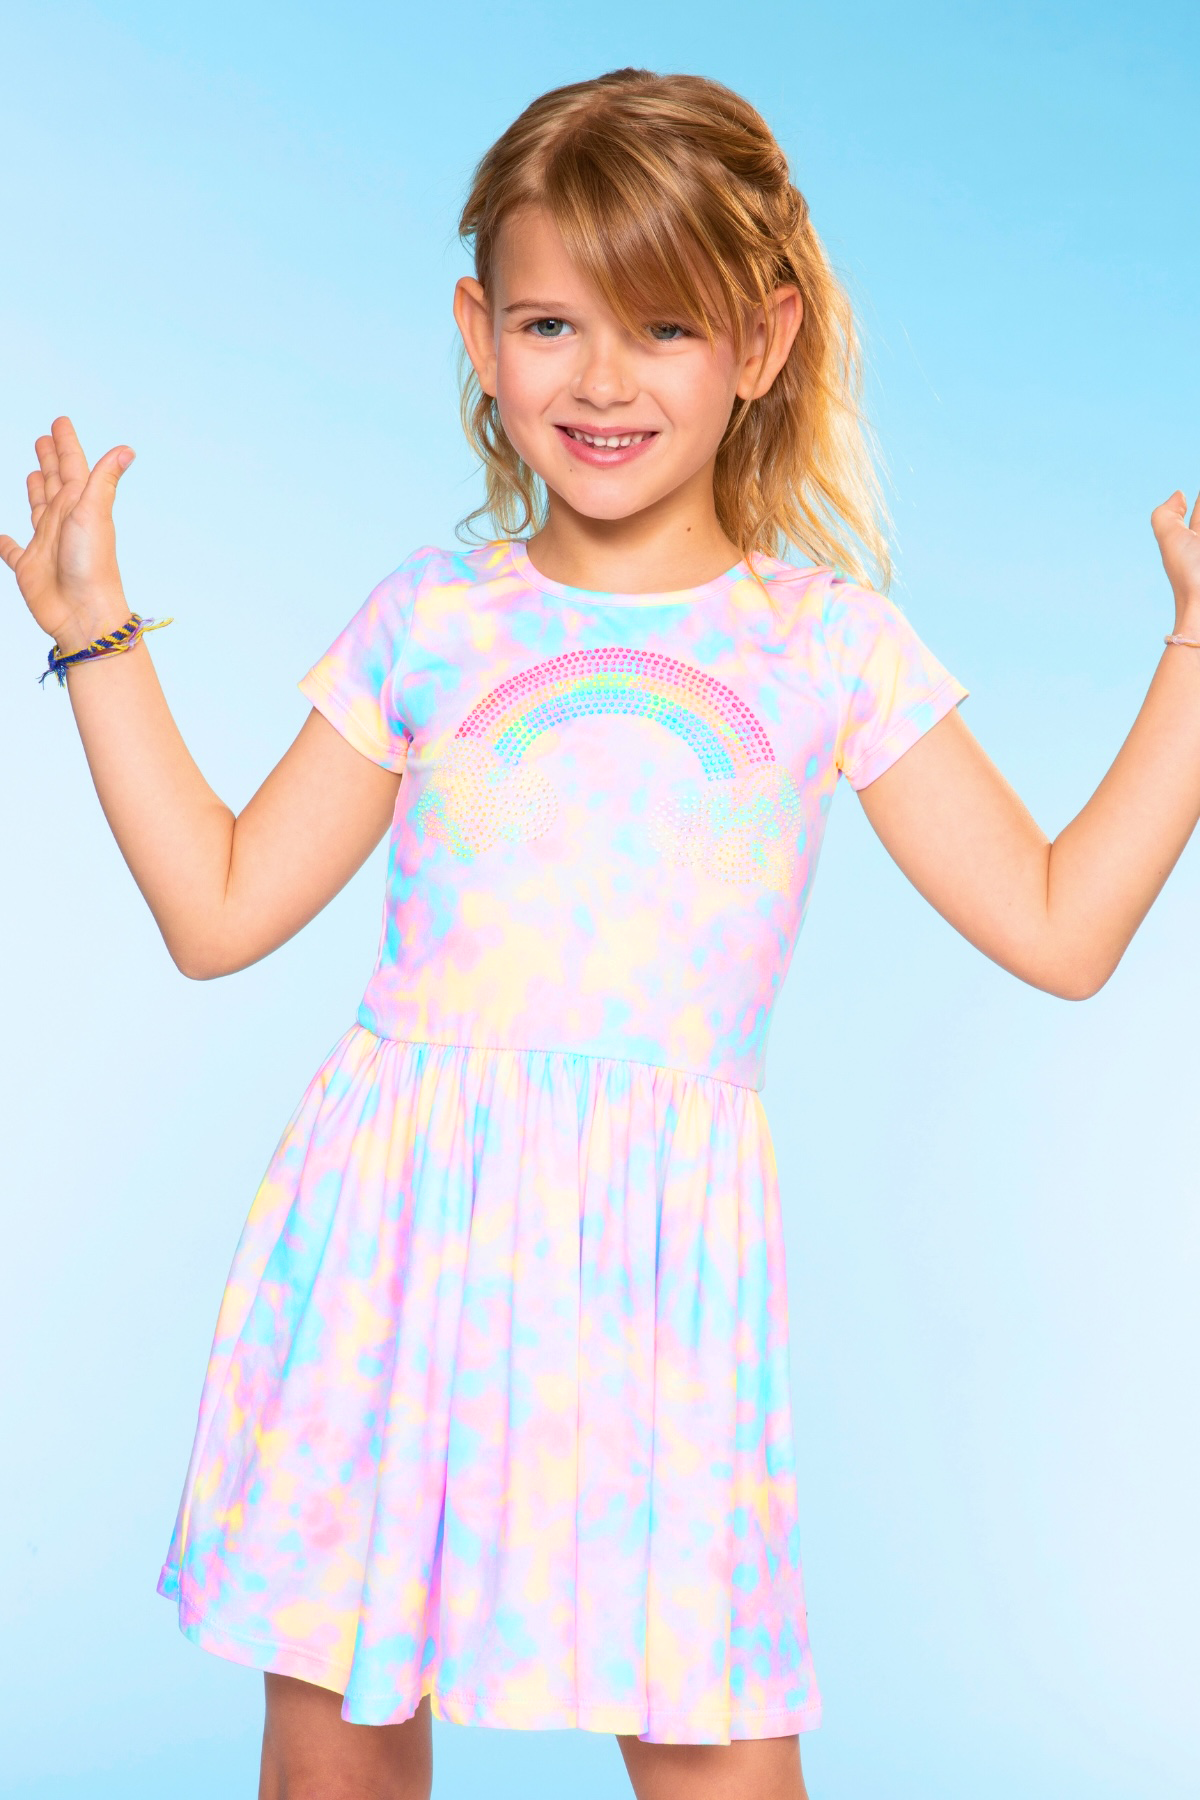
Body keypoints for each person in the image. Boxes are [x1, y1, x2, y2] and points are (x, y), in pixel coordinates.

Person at [4, 65, 1197, 1800]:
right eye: (552, 323)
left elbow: (1063, 927)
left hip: (662, 1282)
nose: (603, 379)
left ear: (764, 341)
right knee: (337, 1748)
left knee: (714, 1746)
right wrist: (96, 636)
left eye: (666, 326)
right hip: (395, 1246)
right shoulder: (431, 617)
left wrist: (1194, 659)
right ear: (479, 334)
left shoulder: (829, 646)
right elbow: (219, 907)